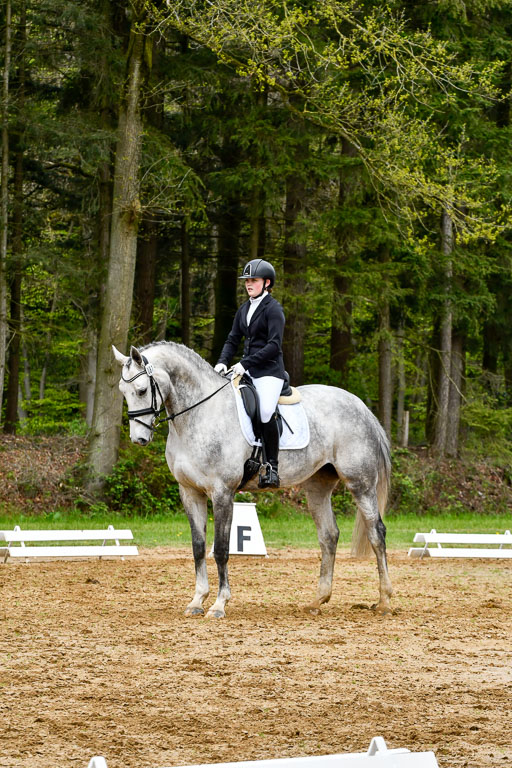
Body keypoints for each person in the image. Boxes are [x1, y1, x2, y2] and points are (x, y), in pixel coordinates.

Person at [214, 258, 285, 488]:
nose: (248, 284)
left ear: (266, 282)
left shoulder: (273, 309)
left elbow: (274, 345)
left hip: (269, 372)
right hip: (247, 371)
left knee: (265, 411)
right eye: (247, 280)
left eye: (253, 280)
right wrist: (222, 362)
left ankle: (272, 467)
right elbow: (233, 339)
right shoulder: (244, 309)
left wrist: (245, 363)